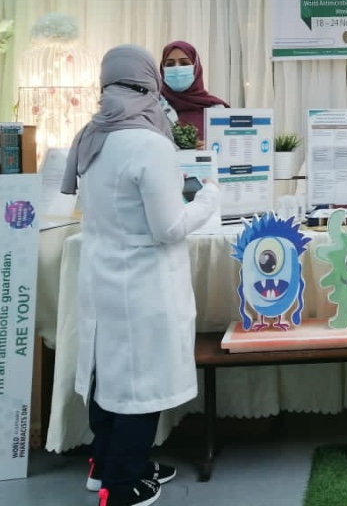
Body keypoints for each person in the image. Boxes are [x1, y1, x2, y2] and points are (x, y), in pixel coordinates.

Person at [61, 45, 221, 506]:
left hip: (102, 276)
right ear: (149, 83)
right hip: (142, 281)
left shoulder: (92, 135)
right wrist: (209, 199)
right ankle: (124, 485)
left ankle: (104, 466)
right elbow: (167, 228)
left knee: (108, 375)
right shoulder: (150, 143)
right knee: (139, 382)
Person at [160, 40, 228, 143]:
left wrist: (208, 147)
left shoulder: (215, 109)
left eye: (184, 63)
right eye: (170, 64)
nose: (177, 69)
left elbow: (226, 146)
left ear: (196, 68)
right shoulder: (154, 105)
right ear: (162, 69)